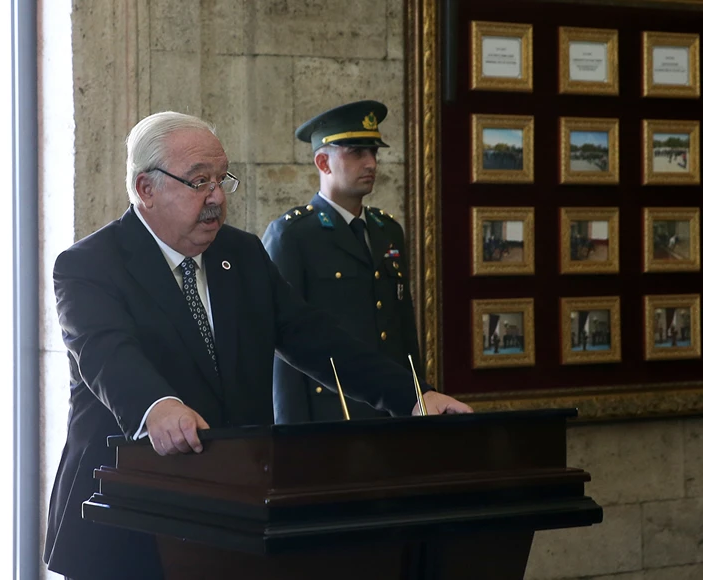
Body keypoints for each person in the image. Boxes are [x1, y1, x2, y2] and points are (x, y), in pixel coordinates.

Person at [43, 111, 473, 580]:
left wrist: (413, 395)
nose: (216, 197)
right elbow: (105, 353)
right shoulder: (89, 265)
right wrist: (156, 406)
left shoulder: (242, 253)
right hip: (125, 512)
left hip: (232, 513)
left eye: (222, 178)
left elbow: (316, 338)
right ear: (146, 189)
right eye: (198, 181)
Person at [262, 100, 422, 423]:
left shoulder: (387, 230)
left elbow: (404, 333)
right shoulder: (291, 235)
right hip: (331, 419)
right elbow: (282, 352)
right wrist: (293, 437)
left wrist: (416, 399)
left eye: (374, 152)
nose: (371, 163)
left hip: (393, 413)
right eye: (357, 152)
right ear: (323, 162)